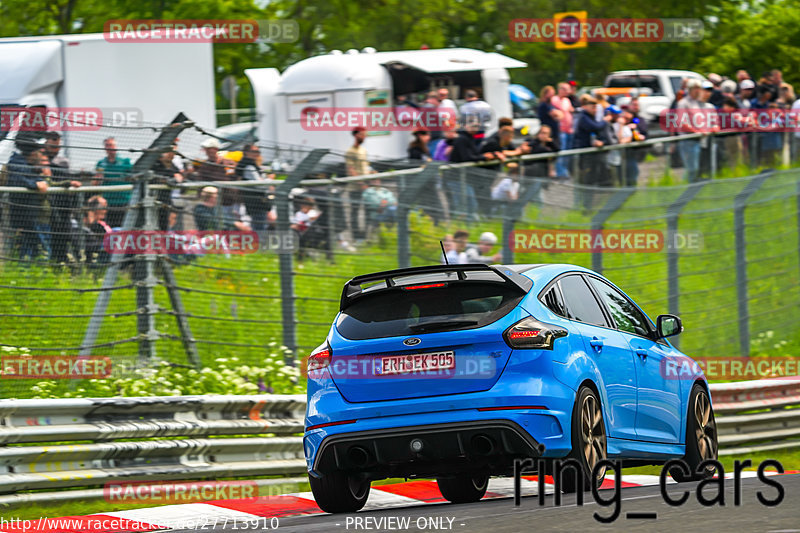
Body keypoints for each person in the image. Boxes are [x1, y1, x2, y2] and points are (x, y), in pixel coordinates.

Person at [7, 134, 50, 260]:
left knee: (35, 247)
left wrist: (41, 182)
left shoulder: (27, 165)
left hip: (31, 215)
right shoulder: (16, 163)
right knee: (29, 247)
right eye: (38, 151)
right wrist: (35, 184)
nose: (40, 154)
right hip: (22, 215)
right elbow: (17, 179)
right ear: (32, 153)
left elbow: (34, 178)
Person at [43, 132, 83, 263]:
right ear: (46, 144)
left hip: (63, 205)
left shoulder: (63, 162)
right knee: (53, 236)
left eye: (57, 146)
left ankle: (72, 262)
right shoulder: (40, 160)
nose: (56, 149)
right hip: (47, 205)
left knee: (66, 234)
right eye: (52, 146)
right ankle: (57, 262)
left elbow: (69, 180)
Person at [573, 95, 613, 210]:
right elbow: (595, 127)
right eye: (592, 107)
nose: (595, 110)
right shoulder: (584, 118)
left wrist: (602, 142)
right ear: (585, 107)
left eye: (596, 108)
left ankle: (593, 205)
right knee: (586, 181)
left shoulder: (591, 117)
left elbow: (599, 133)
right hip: (585, 156)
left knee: (595, 180)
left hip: (593, 155)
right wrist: (605, 121)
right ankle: (585, 207)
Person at [94, 137, 133, 228]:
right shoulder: (101, 163)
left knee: (125, 227)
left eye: (111, 145)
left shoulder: (125, 162)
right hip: (109, 202)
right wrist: (98, 178)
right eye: (107, 145)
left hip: (124, 201)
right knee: (110, 228)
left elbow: (134, 178)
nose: (110, 148)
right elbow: (95, 183)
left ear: (116, 146)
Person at [676, 79, 707, 183]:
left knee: (696, 168)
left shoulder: (697, 103)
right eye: (695, 88)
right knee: (691, 169)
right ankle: (687, 192)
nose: (698, 90)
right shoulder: (683, 103)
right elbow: (681, 122)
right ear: (689, 89)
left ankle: (692, 191)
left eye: (699, 88)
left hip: (697, 140)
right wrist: (697, 131)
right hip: (687, 141)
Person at [237, 143, 272, 232]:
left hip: (257, 200)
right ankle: (259, 243)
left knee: (260, 224)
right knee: (259, 226)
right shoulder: (248, 166)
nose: (257, 154)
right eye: (254, 151)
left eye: (258, 151)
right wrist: (270, 180)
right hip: (256, 201)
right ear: (246, 152)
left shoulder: (253, 165)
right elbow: (259, 185)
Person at [345, 127, 372, 242]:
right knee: (355, 212)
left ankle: (365, 235)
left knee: (368, 211)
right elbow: (351, 170)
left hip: (366, 186)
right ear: (356, 135)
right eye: (362, 134)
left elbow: (366, 167)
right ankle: (356, 237)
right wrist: (361, 183)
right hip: (355, 188)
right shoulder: (350, 152)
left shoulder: (363, 150)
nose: (364, 136)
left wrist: (372, 174)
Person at [151, 146, 184, 231]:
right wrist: (166, 180)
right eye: (170, 152)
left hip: (166, 200)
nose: (171, 155)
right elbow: (155, 177)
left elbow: (179, 176)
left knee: (164, 226)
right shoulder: (154, 164)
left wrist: (176, 178)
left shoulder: (172, 165)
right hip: (153, 201)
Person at [552, 82, 575, 178]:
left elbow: (571, 110)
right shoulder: (554, 99)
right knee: (562, 151)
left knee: (568, 152)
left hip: (569, 129)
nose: (567, 91)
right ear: (560, 90)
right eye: (565, 89)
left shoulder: (567, 100)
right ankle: (560, 172)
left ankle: (564, 170)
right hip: (561, 130)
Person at [83, 195, 112, 264]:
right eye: (103, 206)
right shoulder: (87, 221)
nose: (105, 210)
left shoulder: (104, 222)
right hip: (99, 247)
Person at [537, 85, 563, 151]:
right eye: (551, 93)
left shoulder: (550, 104)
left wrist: (559, 114)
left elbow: (561, 115)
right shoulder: (544, 105)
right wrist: (558, 114)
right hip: (548, 134)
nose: (553, 95)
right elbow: (556, 114)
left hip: (554, 132)